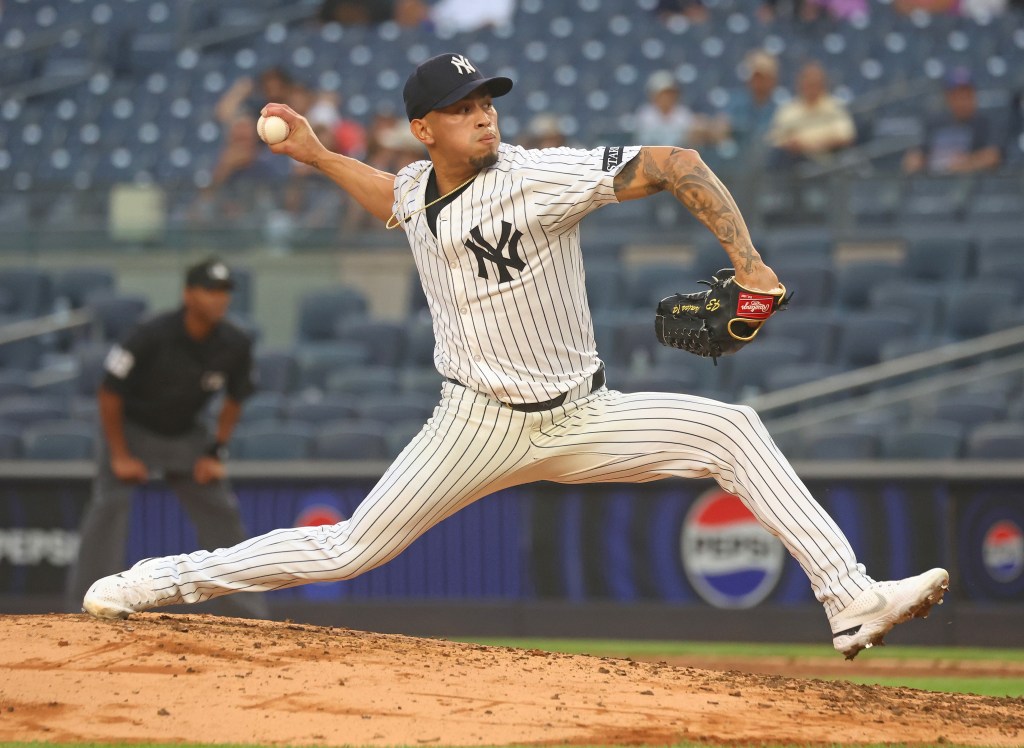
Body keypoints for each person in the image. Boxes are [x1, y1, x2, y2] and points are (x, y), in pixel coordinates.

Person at [83, 52, 948, 660]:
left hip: (582, 414)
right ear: (425, 128)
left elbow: (676, 161)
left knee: (734, 430)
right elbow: (393, 197)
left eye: (487, 100)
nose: (483, 113)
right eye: (462, 108)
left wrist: (753, 266)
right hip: (474, 423)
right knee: (345, 550)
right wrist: (313, 154)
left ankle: (849, 599)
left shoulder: (535, 177)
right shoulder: (421, 184)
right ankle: (158, 580)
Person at [69, 259, 268, 620]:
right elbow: (109, 393)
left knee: (222, 511)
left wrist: (214, 451)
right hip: (133, 430)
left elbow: (236, 399)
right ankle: (86, 608)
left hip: (186, 435)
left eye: (224, 292)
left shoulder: (235, 343)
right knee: (107, 509)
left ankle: (248, 616)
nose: (219, 299)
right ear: (188, 294)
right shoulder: (150, 334)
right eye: (210, 290)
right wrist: (119, 454)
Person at [902, 68, 1002, 175]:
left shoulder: (984, 123)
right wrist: (916, 160)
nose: (962, 101)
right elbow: (918, 155)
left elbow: (993, 156)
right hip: (935, 183)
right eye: (957, 95)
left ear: (974, 95)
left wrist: (966, 164)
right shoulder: (935, 123)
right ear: (948, 97)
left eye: (966, 95)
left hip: (971, 184)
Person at [766, 60, 856, 168]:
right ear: (800, 83)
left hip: (829, 163)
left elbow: (846, 135)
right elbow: (775, 138)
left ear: (823, 84)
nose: (811, 86)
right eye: (808, 82)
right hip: (795, 164)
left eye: (815, 83)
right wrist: (791, 144)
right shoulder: (788, 110)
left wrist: (810, 145)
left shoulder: (834, 106)